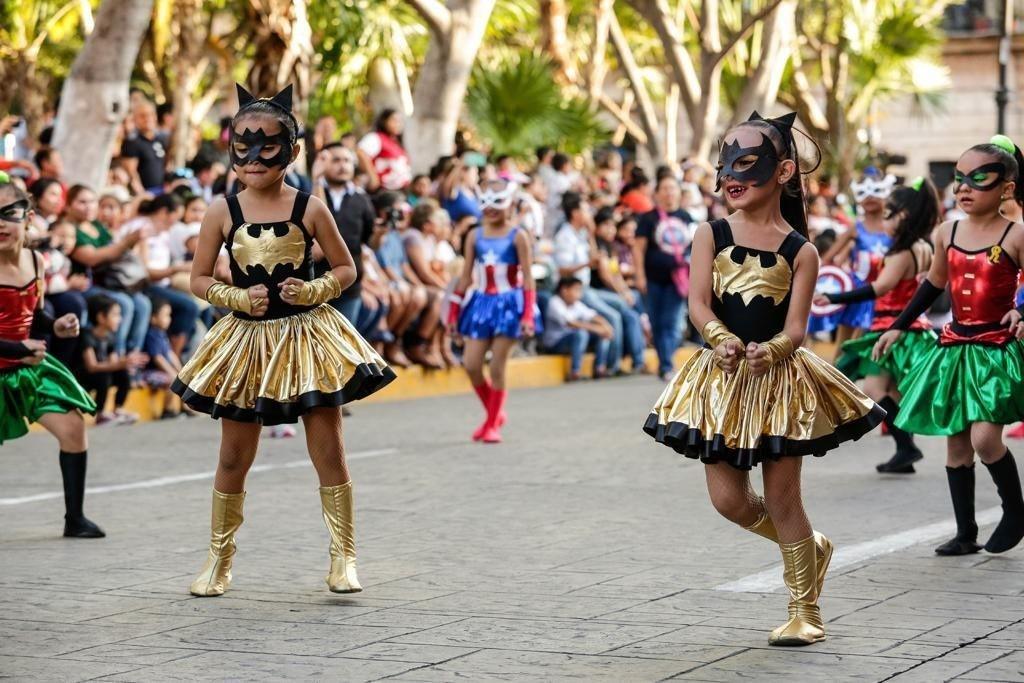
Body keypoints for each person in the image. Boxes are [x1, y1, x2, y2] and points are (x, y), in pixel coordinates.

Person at [643, 112, 884, 646]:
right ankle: (808, 548)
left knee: (782, 501)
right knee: (728, 500)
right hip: (721, 378)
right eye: (725, 163)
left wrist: (771, 350)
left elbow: (797, 328)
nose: (731, 175)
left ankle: (806, 611)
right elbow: (697, 301)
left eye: (746, 163)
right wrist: (718, 337)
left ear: (783, 171)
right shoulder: (711, 232)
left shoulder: (803, 250)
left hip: (780, 385)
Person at [173, 84, 395, 597]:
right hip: (245, 341)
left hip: (307, 338)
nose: (253, 158)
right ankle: (218, 562)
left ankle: (344, 557)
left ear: (291, 151)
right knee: (232, 457)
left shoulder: (309, 206)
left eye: (267, 146)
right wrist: (234, 298)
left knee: (329, 453)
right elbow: (198, 279)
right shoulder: (220, 211)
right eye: (242, 147)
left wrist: (316, 287)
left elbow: (347, 267)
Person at [875, 135, 1024, 557]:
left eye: (978, 179)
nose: (964, 188)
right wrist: (899, 327)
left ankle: (1015, 511)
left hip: (996, 350)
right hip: (955, 346)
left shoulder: (1016, 234)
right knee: (956, 442)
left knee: (984, 439)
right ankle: (966, 532)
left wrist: (1022, 312)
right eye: (959, 179)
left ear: (1006, 188)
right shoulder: (947, 231)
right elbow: (934, 283)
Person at [0, 171, 104, 538]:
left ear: (27, 218)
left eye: (6, 214)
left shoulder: (36, 262)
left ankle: (74, 519)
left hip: (26, 367)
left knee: (73, 428)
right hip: (10, 361)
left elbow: (35, 315)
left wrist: (56, 325)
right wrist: (16, 347)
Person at [818, 179, 939, 474]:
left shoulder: (901, 253)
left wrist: (833, 296)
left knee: (873, 389)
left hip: (891, 328)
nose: (883, 222)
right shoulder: (923, 247)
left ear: (904, 216)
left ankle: (907, 447)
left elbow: (878, 288)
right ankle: (904, 451)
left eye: (888, 214)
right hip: (908, 328)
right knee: (893, 391)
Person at [448, 179, 540, 443]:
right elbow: (465, 276)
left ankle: (491, 424)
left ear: (510, 204)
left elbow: (528, 278)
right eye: (485, 203)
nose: (490, 209)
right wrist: (453, 313)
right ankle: (494, 413)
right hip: (481, 304)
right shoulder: (474, 235)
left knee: (497, 367)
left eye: (497, 203)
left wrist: (527, 315)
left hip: (510, 305)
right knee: (471, 364)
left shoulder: (518, 235)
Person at [814, 169, 895, 351]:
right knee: (844, 346)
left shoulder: (894, 227)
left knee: (878, 346)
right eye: (864, 194)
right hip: (856, 292)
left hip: (886, 292)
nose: (869, 198)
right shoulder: (855, 228)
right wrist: (831, 279)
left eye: (875, 192)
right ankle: (836, 378)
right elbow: (828, 259)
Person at [69, 185, 150, 356]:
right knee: (124, 304)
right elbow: (92, 258)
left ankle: (133, 356)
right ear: (69, 204)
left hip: (107, 282)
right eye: (82, 202)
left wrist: (133, 241)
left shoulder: (97, 226)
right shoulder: (70, 230)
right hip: (84, 285)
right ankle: (116, 357)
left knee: (143, 304)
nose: (89, 206)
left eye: (92, 201)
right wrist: (127, 241)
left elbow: (115, 251)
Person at [634, 175, 695, 379]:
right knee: (657, 322)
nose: (669, 192)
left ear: (679, 192)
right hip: (653, 279)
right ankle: (664, 363)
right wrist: (640, 276)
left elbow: (695, 247)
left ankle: (667, 364)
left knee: (670, 322)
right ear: (657, 193)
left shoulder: (686, 217)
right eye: (665, 188)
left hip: (677, 280)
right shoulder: (648, 218)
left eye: (673, 188)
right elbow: (638, 249)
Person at [311, 142, 375, 325]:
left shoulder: (362, 200)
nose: (343, 165)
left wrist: (381, 233)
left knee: (344, 347)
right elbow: (317, 240)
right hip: (314, 287)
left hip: (350, 289)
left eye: (347, 160)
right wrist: (316, 180)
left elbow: (369, 242)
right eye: (336, 160)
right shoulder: (308, 193)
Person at [133, 194, 200, 357]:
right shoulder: (141, 229)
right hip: (145, 285)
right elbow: (145, 272)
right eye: (174, 218)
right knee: (189, 306)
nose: (175, 223)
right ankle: (173, 358)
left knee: (202, 301)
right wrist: (176, 269)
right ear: (163, 212)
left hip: (163, 282)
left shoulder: (162, 233)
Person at [76, 295, 147, 425]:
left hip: (99, 375)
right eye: (115, 315)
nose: (119, 319)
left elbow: (114, 363)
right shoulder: (86, 335)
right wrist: (120, 363)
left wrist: (125, 364)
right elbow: (91, 366)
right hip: (83, 378)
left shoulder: (110, 336)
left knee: (122, 373)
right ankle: (101, 414)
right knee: (104, 374)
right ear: (101, 317)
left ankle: (118, 409)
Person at [543, 276, 613, 380]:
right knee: (581, 333)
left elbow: (594, 316)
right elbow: (571, 323)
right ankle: (575, 372)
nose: (579, 293)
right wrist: (597, 329)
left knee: (602, 334)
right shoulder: (555, 302)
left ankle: (600, 368)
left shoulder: (576, 304)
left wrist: (606, 326)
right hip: (556, 343)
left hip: (574, 340)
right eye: (576, 289)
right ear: (564, 290)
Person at [142, 298, 186, 417]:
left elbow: (170, 354)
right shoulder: (152, 334)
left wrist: (182, 371)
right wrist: (173, 373)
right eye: (165, 315)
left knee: (183, 378)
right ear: (153, 318)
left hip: (161, 371)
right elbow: (158, 358)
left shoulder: (162, 334)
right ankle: (167, 411)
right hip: (149, 373)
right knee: (172, 380)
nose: (169, 319)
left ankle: (184, 407)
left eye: (169, 315)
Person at [358, 108, 412, 191]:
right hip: (384, 191)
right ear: (384, 121)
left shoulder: (397, 143)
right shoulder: (376, 137)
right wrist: (373, 177)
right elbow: (361, 153)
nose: (398, 124)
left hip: (402, 189)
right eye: (394, 120)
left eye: (399, 121)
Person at [121, 101, 169, 194]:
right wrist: (143, 196)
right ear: (135, 119)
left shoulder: (160, 139)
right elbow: (131, 174)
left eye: (151, 114)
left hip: (161, 190)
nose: (148, 118)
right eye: (143, 115)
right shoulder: (132, 142)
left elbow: (165, 165)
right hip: (145, 193)